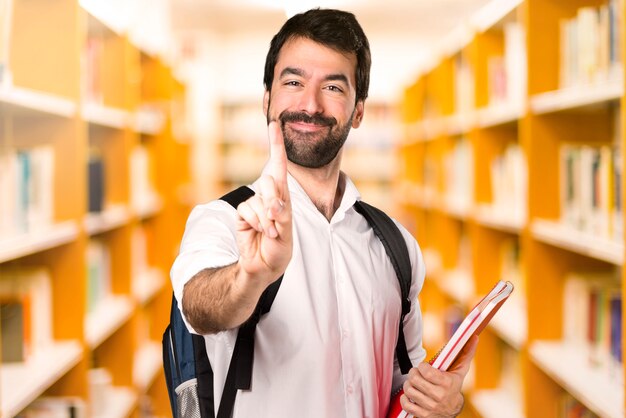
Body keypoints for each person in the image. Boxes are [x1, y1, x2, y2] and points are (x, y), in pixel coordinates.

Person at [170, 8, 477, 418]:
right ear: (267, 100)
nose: (309, 104)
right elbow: (200, 308)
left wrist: (439, 404)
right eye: (293, 81)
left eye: (333, 86)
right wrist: (252, 275)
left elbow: (404, 385)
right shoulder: (224, 220)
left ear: (359, 110)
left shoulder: (396, 246)